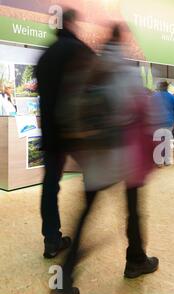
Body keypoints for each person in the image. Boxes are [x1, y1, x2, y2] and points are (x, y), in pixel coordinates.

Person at [50, 24, 159, 294]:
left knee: (85, 217)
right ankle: (135, 260)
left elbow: (68, 113)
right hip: (125, 157)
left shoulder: (89, 71)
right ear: (123, 42)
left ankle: (63, 283)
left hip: (96, 158)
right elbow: (146, 116)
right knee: (133, 211)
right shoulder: (128, 74)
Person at [35, 9, 94, 260]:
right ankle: (83, 234)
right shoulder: (79, 49)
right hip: (77, 132)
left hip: (51, 134)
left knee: (50, 187)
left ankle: (51, 240)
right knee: (96, 179)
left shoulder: (45, 56)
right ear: (71, 23)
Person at [153, 80, 174, 166]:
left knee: (158, 142)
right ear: (167, 87)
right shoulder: (172, 97)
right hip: (169, 122)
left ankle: (158, 161)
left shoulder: (154, 96)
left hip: (157, 122)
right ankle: (167, 161)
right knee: (167, 142)